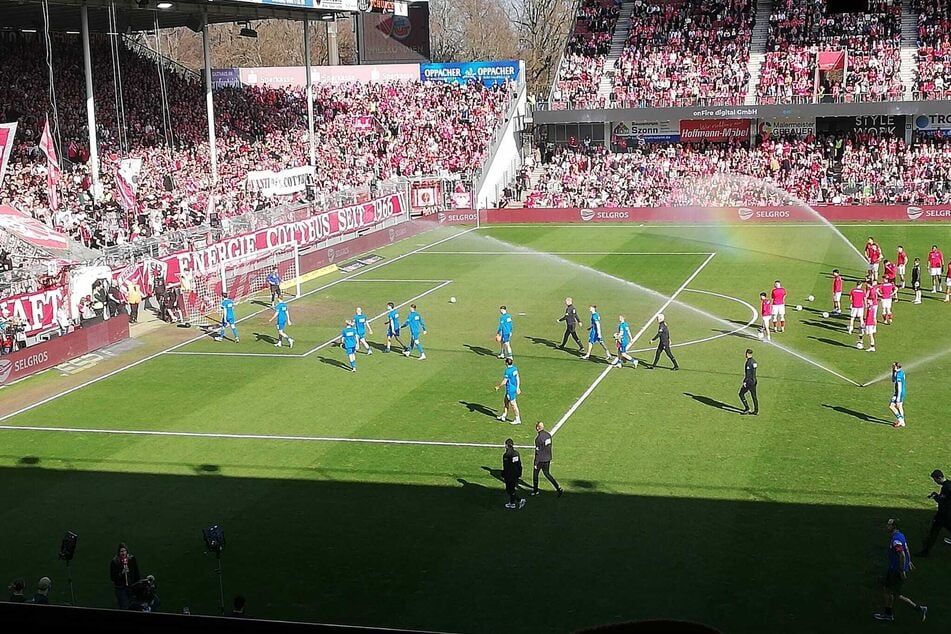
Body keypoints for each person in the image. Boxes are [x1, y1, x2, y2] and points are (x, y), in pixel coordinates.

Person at [874, 519, 927, 622]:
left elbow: (902, 554)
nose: (886, 526)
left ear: (894, 526)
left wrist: (902, 570)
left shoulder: (896, 540)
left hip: (896, 570)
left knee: (894, 593)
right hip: (894, 569)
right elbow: (906, 549)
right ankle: (888, 613)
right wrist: (909, 561)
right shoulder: (900, 535)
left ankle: (919, 609)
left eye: (888, 524)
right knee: (888, 590)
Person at [916, 469, 951, 557]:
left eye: (935, 480)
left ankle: (925, 552)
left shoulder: (946, 488)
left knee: (933, 533)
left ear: (939, 478)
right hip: (948, 514)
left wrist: (936, 497)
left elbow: (943, 501)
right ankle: (925, 551)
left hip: (943, 515)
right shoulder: (949, 484)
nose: (935, 482)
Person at [532, 422, 563, 496]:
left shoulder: (538, 439)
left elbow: (537, 452)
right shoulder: (548, 435)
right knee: (547, 474)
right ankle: (558, 487)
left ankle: (536, 491)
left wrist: (535, 463)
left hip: (541, 460)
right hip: (548, 458)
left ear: (537, 428)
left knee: (535, 475)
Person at [110, 543, 141, 609]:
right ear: (118, 553)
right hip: (120, 588)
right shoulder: (115, 562)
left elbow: (136, 572)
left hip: (131, 586)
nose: (123, 553)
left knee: (133, 604)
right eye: (121, 551)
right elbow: (113, 578)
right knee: (124, 606)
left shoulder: (131, 559)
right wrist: (121, 573)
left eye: (124, 551)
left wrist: (137, 584)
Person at [495, 357, 521, 425]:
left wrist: (498, 386)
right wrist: (517, 387)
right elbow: (517, 378)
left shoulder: (507, 371)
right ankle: (504, 415)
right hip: (513, 388)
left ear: (506, 363)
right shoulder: (514, 369)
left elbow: (505, 381)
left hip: (510, 389)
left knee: (513, 404)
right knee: (506, 401)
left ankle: (517, 419)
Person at [502, 438, 526, 510]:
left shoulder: (506, 455)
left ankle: (520, 500)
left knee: (509, 490)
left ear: (506, 445)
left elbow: (506, 467)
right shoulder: (516, 453)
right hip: (516, 474)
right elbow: (519, 464)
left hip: (509, 475)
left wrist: (503, 474)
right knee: (512, 489)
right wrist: (519, 473)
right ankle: (512, 503)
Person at [738, 348, 758, 415]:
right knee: (754, 396)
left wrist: (745, 381)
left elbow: (748, 373)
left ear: (747, 354)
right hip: (754, 381)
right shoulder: (754, 361)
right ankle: (756, 411)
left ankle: (747, 408)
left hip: (749, 382)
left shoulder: (749, 362)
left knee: (741, 394)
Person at [888, 362, 906, 428]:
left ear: (896, 367)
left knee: (891, 406)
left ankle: (900, 420)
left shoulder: (899, 375)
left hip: (899, 393)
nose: (892, 367)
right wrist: (893, 371)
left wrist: (898, 399)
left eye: (893, 366)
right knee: (900, 406)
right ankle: (903, 422)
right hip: (899, 392)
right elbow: (893, 380)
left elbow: (900, 387)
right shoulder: (899, 372)